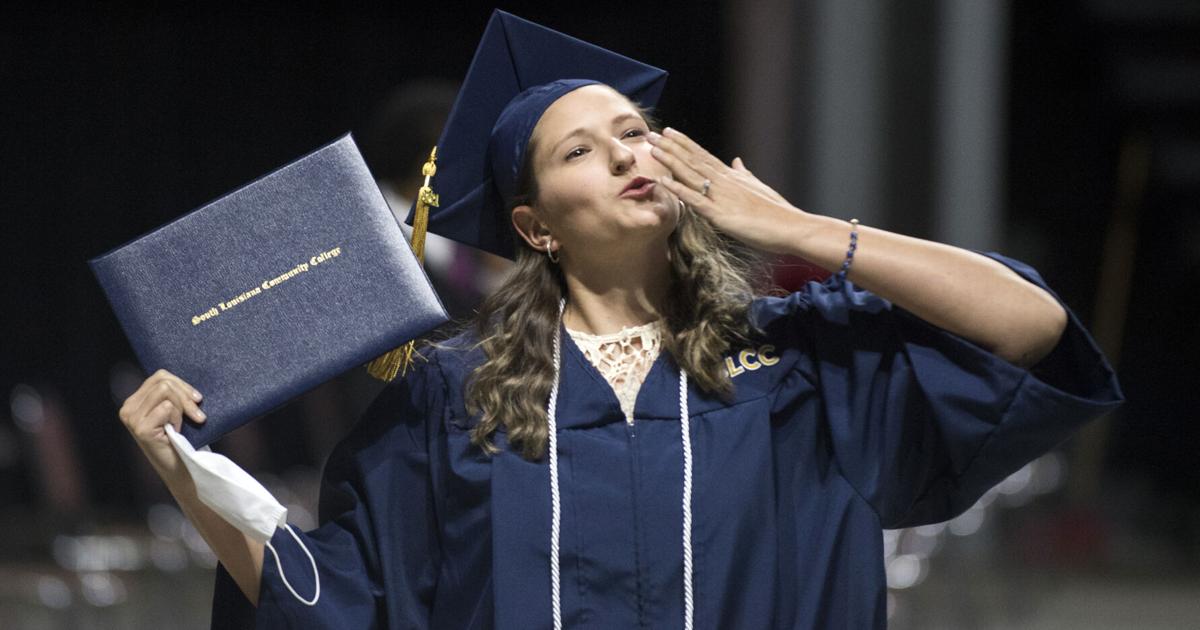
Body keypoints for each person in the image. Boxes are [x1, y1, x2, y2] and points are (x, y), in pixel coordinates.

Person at [115, 11, 1122, 629]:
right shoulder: (452, 400)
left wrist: (799, 231)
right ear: (534, 225)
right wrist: (188, 476)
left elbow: (1028, 328)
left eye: (637, 132)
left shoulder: (798, 366)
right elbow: (337, 600)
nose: (631, 154)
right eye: (584, 151)